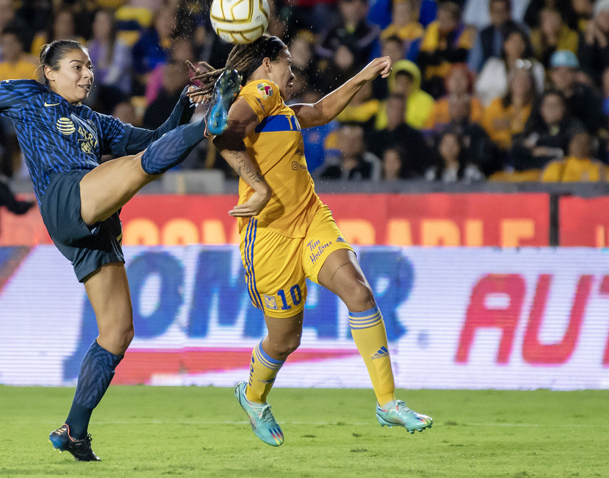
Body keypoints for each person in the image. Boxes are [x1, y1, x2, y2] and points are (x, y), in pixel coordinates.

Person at [0, 39, 239, 461]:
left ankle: (75, 430)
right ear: (50, 72)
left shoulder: (96, 121)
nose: (87, 75)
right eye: (77, 66)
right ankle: (211, 125)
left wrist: (184, 101)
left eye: (90, 67)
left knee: (117, 333)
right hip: (66, 197)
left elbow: (160, 139)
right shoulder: (27, 96)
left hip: (97, 225)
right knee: (134, 170)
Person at [188, 35, 432, 447]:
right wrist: (253, 178)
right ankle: (252, 396)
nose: (292, 73)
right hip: (269, 235)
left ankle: (387, 403)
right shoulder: (262, 91)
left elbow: (320, 111)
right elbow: (229, 132)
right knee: (285, 340)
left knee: (359, 293)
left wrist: (364, 75)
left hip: (310, 217)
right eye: (286, 64)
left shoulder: (279, 108)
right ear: (267, 64)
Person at [474, 28, 544, 106]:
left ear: (525, 45)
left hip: (525, 109)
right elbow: (480, 89)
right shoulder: (492, 65)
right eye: (513, 41)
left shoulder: (535, 67)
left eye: (519, 42)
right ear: (505, 44)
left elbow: (539, 92)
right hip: (493, 109)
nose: (516, 45)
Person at [371, 93, 432, 176]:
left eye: (400, 108)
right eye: (393, 108)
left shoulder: (415, 137)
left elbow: (420, 165)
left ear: (405, 111)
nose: (396, 112)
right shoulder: (376, 137)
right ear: (386, 110)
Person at [540, 128, 606, 181]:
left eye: (585, 142)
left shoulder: (599, 168)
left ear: (592, 147)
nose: (579, 145)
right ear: (570, 144)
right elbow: (547, 189)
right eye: (577, 140)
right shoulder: (556, 165)